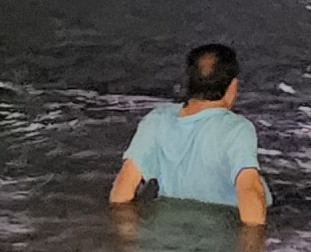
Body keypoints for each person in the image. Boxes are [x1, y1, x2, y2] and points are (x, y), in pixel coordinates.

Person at [106, 42, 268, 227]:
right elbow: (250, 192)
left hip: (167, 231)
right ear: (232, 86)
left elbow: (122, 192)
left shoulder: (157, 120)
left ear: (189, 82)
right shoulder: (237, 129)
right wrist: (254, 244)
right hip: (220, 232)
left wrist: (128, 238)